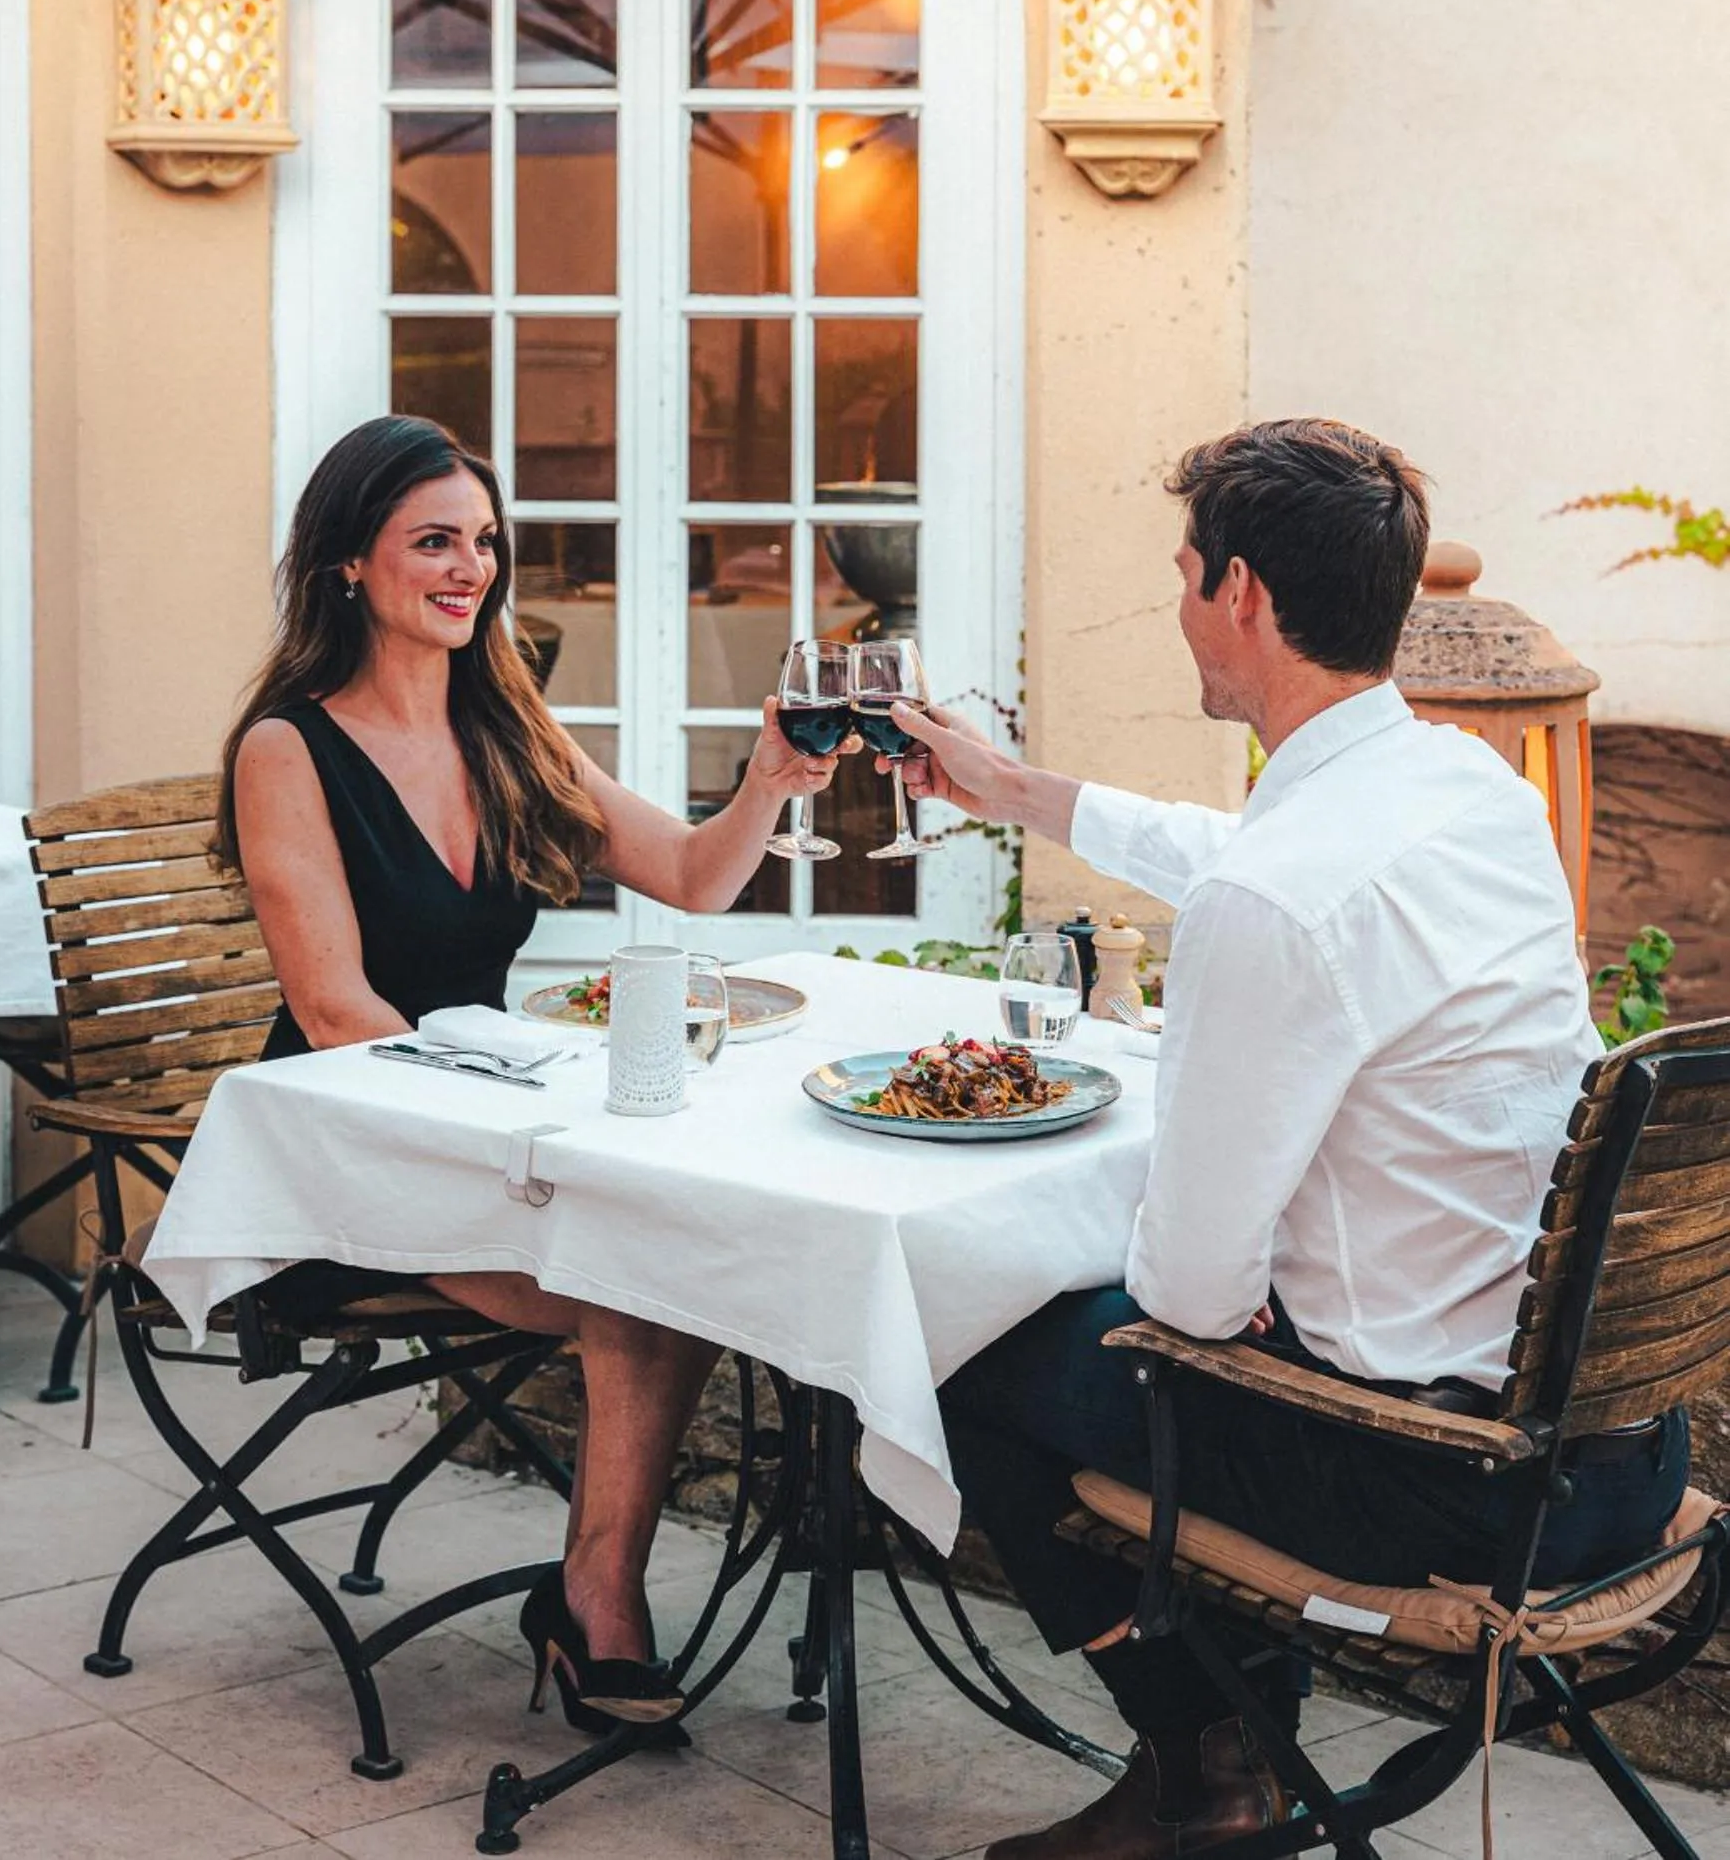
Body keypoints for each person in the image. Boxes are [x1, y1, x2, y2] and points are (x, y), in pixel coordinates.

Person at [884, 418, 1689, 1860]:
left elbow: (1190, 1299)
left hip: (1430, 1482)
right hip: (1610, 1454)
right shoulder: (1470, 794)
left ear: (1240, 594)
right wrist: (1015, 790)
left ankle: (1207, 1765)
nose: (1179, 603)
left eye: (1185, 573)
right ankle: (1224, 1748)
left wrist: (1215, 1283)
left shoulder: (1279, 899)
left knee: (943, 1343)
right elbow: (1247, 861)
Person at [217, 413, 842, 1737]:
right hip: (357, 1145)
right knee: (640, 1275)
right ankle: (597, 1604)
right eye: (433, 541)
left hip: (491, 1127)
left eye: (484, 544)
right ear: (346, 563)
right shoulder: (287, 749)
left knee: (661, 1255)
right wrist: (524, 1132)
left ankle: (588, 1589)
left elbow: (690, 875)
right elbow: (337, 1014)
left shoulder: (505, 727)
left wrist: (771, 781)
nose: (469, 569)